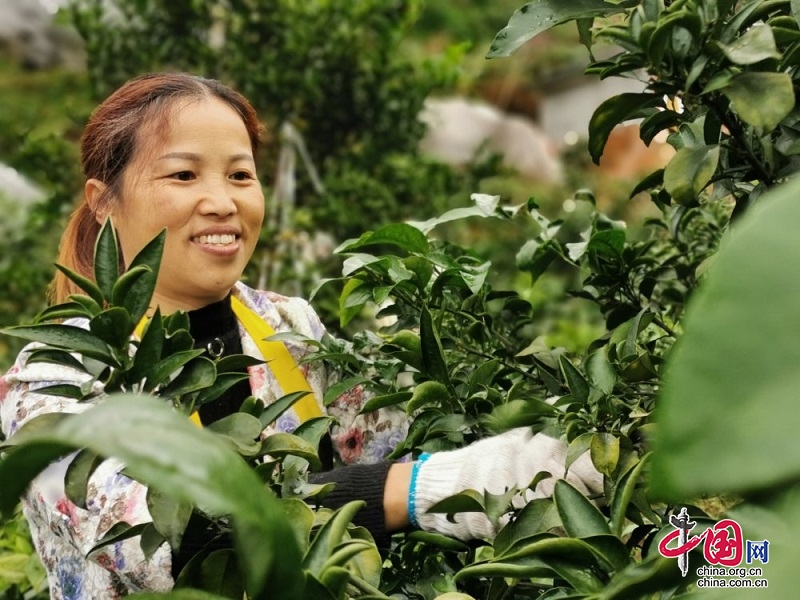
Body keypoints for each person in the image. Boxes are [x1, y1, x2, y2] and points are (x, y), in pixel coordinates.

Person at [0, 72, 602, 598]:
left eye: (240, 174)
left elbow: (390, 450)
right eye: (183, 174)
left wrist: (551, 451)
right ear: (103, 203)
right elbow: (155, 545)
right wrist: (428, 488)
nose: (221, 201)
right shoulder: (53, 380)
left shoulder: (290, 327)